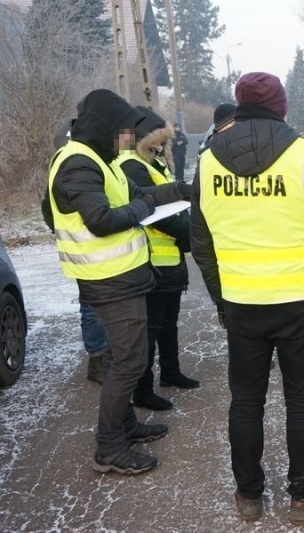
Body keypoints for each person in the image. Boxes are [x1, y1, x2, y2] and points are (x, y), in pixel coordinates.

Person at [191, 72, 304, 524]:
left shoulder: (206, 162)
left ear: (239, 106)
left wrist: (221, 298)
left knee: (245, 400)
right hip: (303, 301)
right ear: (283, 108)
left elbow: (201, 243)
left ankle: (249, 495)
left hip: (243, 301)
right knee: (302, 400)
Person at [48, 89, 190, 475]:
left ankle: (125, 425)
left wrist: (179, 191)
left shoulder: (99, 158)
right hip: (107, 277)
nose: (126, 140)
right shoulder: (78, 162)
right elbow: (101, 219)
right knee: (128, 362)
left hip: (121, 276)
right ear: (104, 126)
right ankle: (109, 447)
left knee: (120, 358)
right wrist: (145, 208)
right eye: (121, 132)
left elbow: (136, 193)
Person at [116, 107, 198, 412]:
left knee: (168, 323)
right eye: (157, 141)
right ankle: (143, 389)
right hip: (151, 259)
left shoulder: (150, 162)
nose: (161, 147)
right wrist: (188, 232)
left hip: (168, 256)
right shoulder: (132, 166)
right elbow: (152, 209)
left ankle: (171, 372)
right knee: (149, 330)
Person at [42, 119, 110, 384]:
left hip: (92, 246)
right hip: (85, 248)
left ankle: (102, 356)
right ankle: (97, 359)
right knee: (92, 306)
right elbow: (50, 207)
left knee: (95, 305)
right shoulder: (73, 161)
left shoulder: (66, 157)